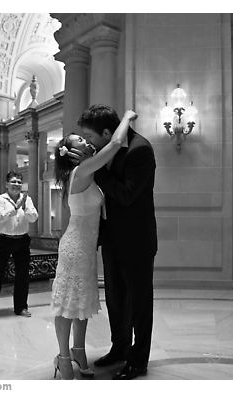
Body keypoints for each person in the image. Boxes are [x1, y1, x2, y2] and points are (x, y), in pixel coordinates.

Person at [70, 104, 158, 380]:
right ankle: (119, 348)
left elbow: (127, 195)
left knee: (140, 304)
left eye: (91, 137)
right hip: (111, 240)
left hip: (137, 241)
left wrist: (98, 171)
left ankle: (138, 359)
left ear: (108, 132)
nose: (88, 143)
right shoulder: (105, 150)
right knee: (116, 301)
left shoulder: (140, 150)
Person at [50, 109, 138, 380]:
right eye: (80, 141)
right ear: (72, 153)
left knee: (82, 304)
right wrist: (127, 117)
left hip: (86, 249)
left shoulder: (85, 170)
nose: (87, 143)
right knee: (67, 305)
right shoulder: (81, 170)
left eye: (86, 139)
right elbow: (113, 145)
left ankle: (78, 351)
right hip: (76, 247)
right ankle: (63, 358)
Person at [0, 171, 38, 321]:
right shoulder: (0, 199)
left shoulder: (27, 199)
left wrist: (25, 206)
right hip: (3, 240)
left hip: (22, 240)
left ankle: (21, 307)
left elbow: (34, 218)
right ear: (7, 184)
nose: (16, 185)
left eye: (19, 182)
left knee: (23, 275)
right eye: (13, 182)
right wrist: (15, 208)